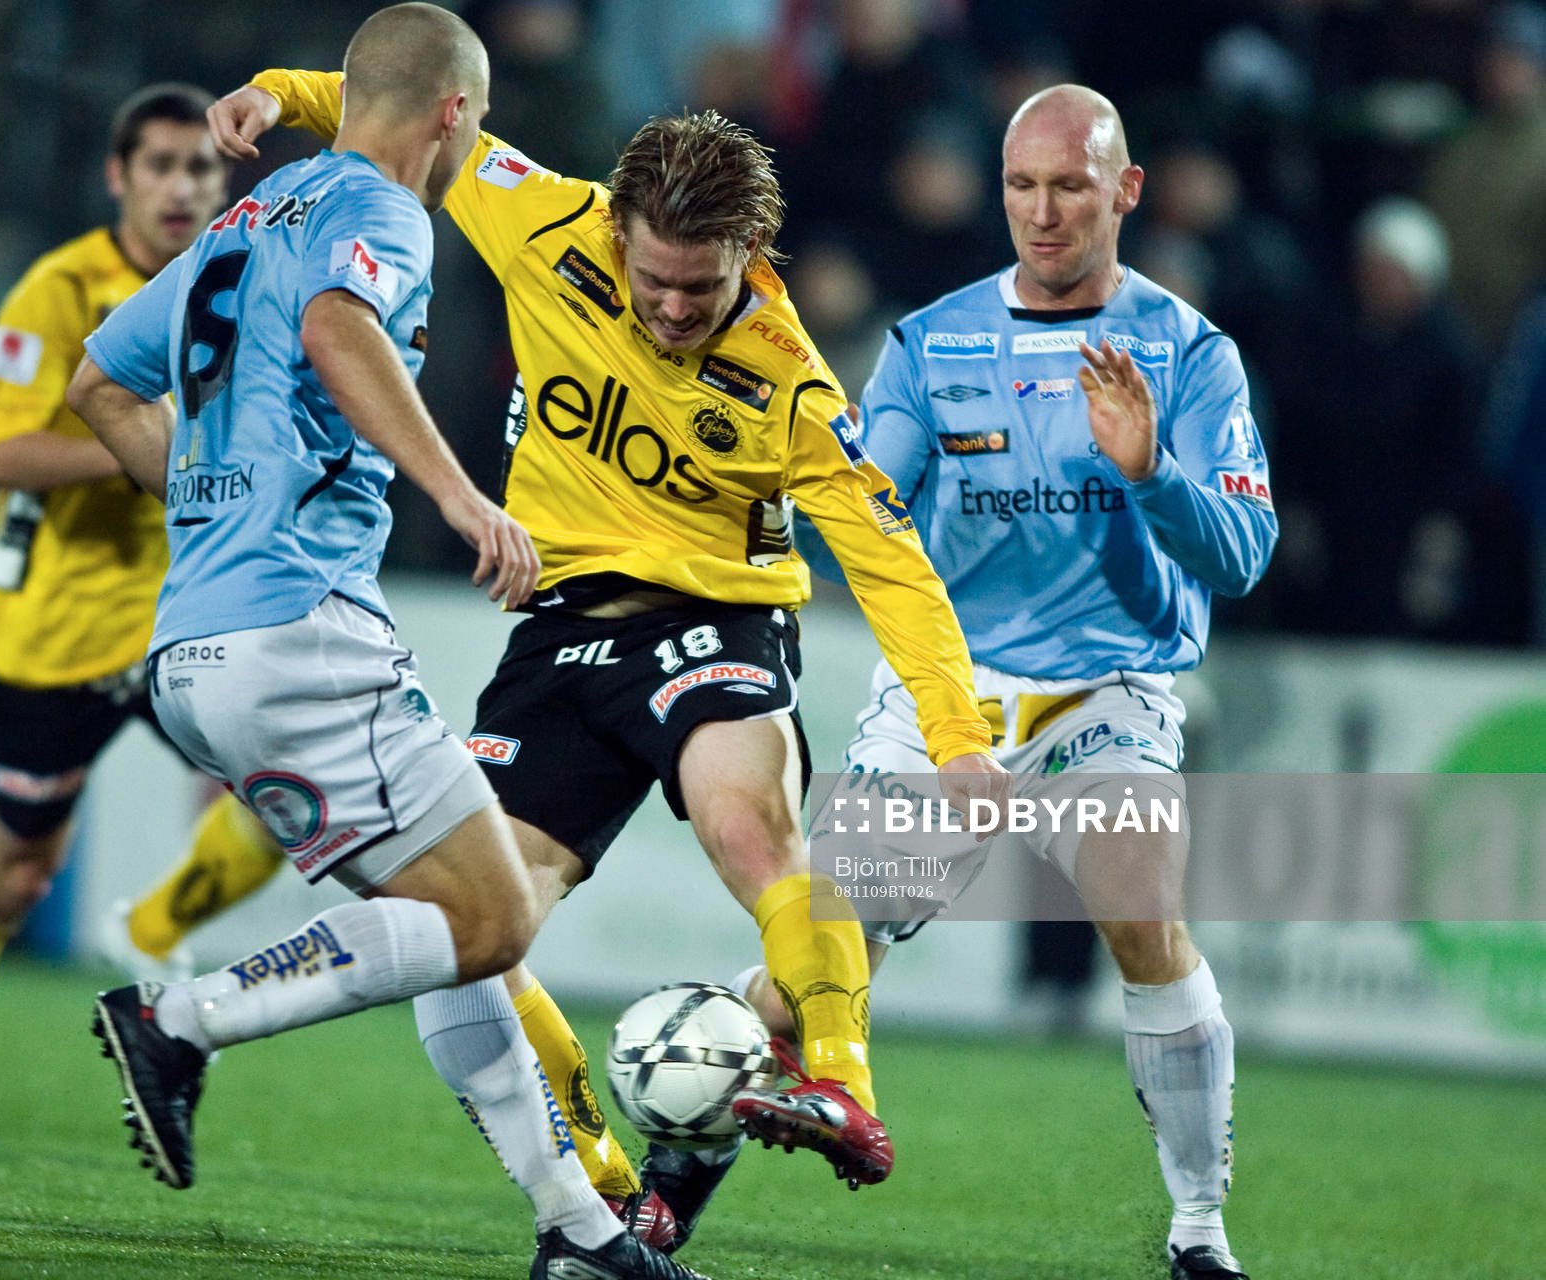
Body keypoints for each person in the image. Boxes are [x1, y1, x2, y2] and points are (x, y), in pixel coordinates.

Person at [202, 44, 1010, 1230]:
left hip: (714, 618)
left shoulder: (788, 385)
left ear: (753, 258)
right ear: (613, 225)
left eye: (705, 287)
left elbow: (891, 565)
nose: (675, 308)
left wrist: (955, 735)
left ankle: (840, 1085)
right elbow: (418, 110)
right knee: (471, 921)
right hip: (560, 632)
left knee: (750, 826)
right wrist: (278, 91)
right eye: (653, 278)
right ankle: (606, 1182)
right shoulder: (540, 219)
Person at [68, 9, 705, 1278]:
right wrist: (465, 498)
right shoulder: (383, 210)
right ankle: (179, 1016)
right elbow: (340, 333)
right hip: (303, 628)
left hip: (197, 647)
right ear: (456, 117)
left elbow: (97, 382)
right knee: (495, 911)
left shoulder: (243, 221)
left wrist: (204, 511)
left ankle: (579, 1234)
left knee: (453, 923)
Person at [660, 86, 1275, 1280]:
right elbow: (858, 515)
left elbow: (1242, 556)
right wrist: (774, 485)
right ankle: (661, 1193)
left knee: (1140, 903)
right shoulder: (930, 343)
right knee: (808, 982)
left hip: (1112, 686)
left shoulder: (1190, 354)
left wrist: (1148, 472)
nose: (1041, 213)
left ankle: (1199, 1235)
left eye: (1070, 187)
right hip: (950, 700)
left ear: (1125, 190)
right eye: (1020, 186)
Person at [0, 83, 288, 1151]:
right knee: (14, 871)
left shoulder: (243, 282)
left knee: (286, 795)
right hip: (49, 632)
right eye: (157, 164)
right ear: (119, 175)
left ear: (225, 177)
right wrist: (143, 442)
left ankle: (154, 928)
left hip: (181, 616)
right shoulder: (61, 288)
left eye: (199, 167)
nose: (178, 186)